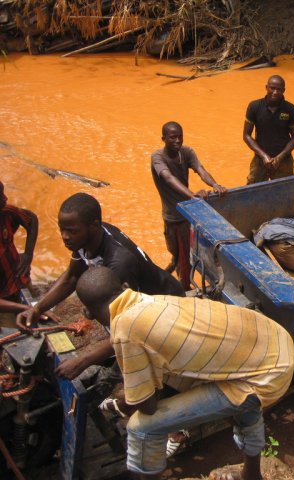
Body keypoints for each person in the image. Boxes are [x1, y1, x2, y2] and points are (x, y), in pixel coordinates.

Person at [75, 266, 294, 480]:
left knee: (141, 428)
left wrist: (131, 399)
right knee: (243, 409)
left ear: (88, 312)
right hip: (273, 340)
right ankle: (252, 475)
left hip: (267, 374)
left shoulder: (125, 329)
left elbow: (147, 406)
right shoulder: (149, 300)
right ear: (124, 287)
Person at [16, 193, 185, 380]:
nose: (65, 237)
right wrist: (38, 308)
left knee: (117, 378)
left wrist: (83, 361)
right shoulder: (86, 239)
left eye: (71, 231)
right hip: (137, 307)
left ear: (94, 226)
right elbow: (71, 277)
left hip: (166, 307)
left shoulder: (119, 263)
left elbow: (132, 327)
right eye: (61, 229)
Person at [151, 121, 227, 290]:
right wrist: (193, 195)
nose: (178, 141)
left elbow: (200, 169)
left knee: (184, 257)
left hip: (188, 215)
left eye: (180, 137)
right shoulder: (158, 158)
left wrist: (215, 185)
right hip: (173, 217)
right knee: (179, 257)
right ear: (163, 139)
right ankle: (179, 289)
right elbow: (168, 178)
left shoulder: (186, 152)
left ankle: (171, 284)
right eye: (173, 137)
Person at [244, 75, 294, 184]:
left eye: (279, 89)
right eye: (272, 88)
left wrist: (280, 157)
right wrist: (263, 156)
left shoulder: (290, 109)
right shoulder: (254, 107)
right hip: (260, 159)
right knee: (252, 190)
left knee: (286, 191)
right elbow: (246, 135)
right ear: (266, 87)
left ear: (283, 90)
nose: (275, 92)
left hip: (284, 161)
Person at [0, 180, 38, 306]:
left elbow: (31, 219)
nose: (5, 198)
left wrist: (28, 255)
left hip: (19, 279)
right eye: (0, 196)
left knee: (34, 310)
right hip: (3, 297)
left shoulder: (7, 212)